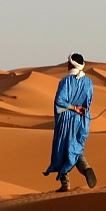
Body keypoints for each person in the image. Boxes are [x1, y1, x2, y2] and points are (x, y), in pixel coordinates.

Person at [42, 53, 98, 192]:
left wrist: (73, 108)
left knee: (62, 148)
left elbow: (60, 101)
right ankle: (86, 169)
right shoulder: (88, 82)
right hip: (82, 120)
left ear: (70, 65)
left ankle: (65, 183)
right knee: (75, 148)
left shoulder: (65, 81)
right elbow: (89, 101)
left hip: (67, 119)